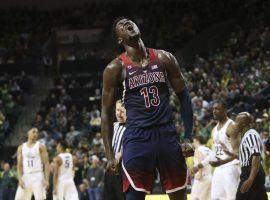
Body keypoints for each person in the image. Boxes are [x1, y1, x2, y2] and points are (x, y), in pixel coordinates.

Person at [101, 17, 194, 200]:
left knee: (179, 197)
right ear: (120, 39)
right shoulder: (115, 68)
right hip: (137, 137)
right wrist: (109, 155)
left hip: (166, 134)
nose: (127, 23)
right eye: (121, 25)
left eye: (129, 21)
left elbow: (184, 96)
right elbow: (106, 112)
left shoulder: (164, 58)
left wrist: (188, 136)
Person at [192, 101, 240, 200]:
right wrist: (199, 166)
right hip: (219, 167)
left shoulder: (232, 127)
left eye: (217, 109)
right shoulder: (214, 130)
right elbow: (214, 153)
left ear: (225, 110)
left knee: (231, 197)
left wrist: (223, 161)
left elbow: (237, 153)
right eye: (213, 109)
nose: (214, 111)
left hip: (231, 166)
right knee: (215, 197)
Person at [222, 112, 268, 200]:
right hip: (253, 172)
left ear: (243, 124)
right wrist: (230, 153)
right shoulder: (247, 135)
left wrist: (250, 178)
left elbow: (256, 156)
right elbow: (246, 157)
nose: (235, 124)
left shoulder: (251, 135)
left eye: (237, 122)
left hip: (251, 172)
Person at [15, 127, 49, 200]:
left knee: (40, 198)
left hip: (38, 175)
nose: (35, 134)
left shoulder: (41, 146)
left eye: (37, 133)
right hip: (26, 175)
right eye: (33, 132)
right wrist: (20, 179)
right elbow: (19, 165)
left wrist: (47, 179)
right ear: (28, 133)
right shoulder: (21, 147)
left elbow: (46, 164)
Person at [103, 100, 126, 200]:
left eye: (122, 111)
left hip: (123, 170)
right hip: (110, 167)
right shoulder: (113, 126)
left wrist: (119, 155)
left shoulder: (133, 127)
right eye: (117, 110)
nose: (119, 114)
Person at [191, 136, 212, 200]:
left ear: (197, 141)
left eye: (193, 141)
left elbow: (200, 163)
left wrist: (199, 174)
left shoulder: (198, 150)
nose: (192, 144)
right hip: (210, 177)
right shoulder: (209, 150)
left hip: (202, 177)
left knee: (195, 198)